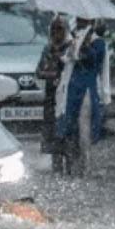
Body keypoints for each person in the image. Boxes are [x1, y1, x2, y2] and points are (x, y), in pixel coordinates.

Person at [56, 17, 105, 176]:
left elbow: (95, 62)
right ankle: (72, 164)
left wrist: (83, 47)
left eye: (83, 20)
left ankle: (86, 164)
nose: (79, 21)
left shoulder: (97, 42)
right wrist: (70, 46)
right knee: (69, 125)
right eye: (78, 19)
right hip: (71, 88)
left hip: (86, 89)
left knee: (85, 127)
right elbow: (63, 59)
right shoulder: (71, 38)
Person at [36, 16, 72, 173]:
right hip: (51, 96)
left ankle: (70, 166)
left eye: (60, 29)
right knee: (52, 131)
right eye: (54, 29)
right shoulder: (48, 49)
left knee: (68, 131)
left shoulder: (71, 48)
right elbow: (39, 71)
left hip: (67, 96)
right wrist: (53, 74)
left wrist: (61, 66)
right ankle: (56, 168)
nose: (57, 33)